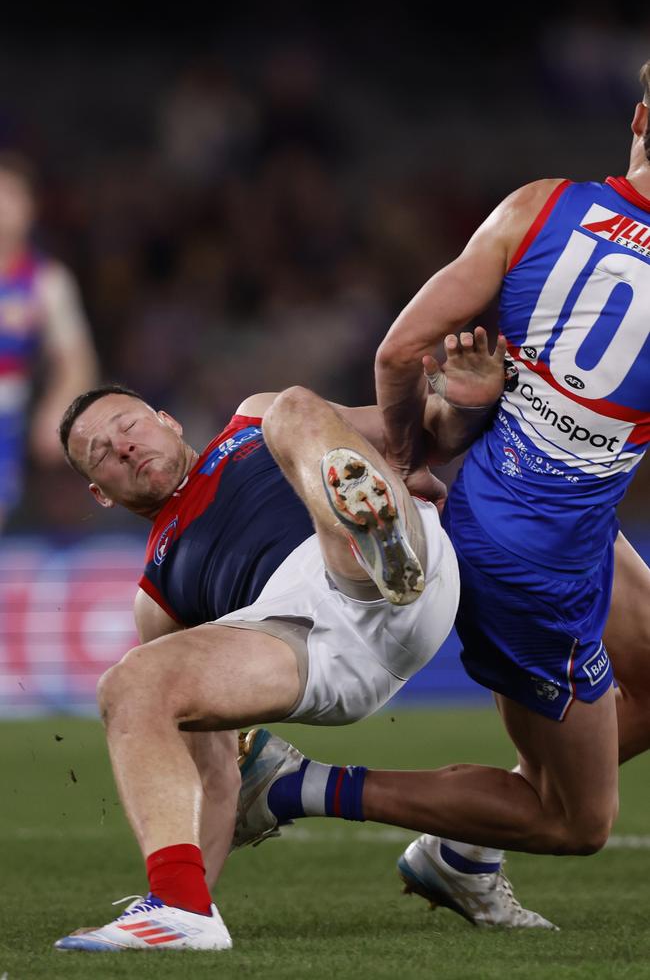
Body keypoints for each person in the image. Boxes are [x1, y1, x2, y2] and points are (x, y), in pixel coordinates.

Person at [226, 59, 650, 932]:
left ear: (640, 118)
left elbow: (394, 354)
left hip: (533, 502)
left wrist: (416, 457)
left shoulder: (538, 206)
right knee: (578, 822)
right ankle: (296, 787)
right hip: (536, 560)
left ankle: (461, 850)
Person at [53, 332, 506, 953]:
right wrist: (195, 889)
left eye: (128, 425)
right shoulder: (157, 595)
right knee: (131, 681)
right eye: (101, 454)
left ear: (166, 420)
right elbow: (215, 777)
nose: (124, 446)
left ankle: (373, 536)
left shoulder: (251, 420)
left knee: (291, 406)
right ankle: (180, 912)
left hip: (378, 571)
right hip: (311, 648)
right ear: (100, 493)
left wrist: (461, 403)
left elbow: (425, 431)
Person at [0, 152, 98, 529]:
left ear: (30, 208)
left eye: (10, 196)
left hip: (10, 418)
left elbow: (76, 361)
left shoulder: (47, 282)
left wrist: (56, 410)